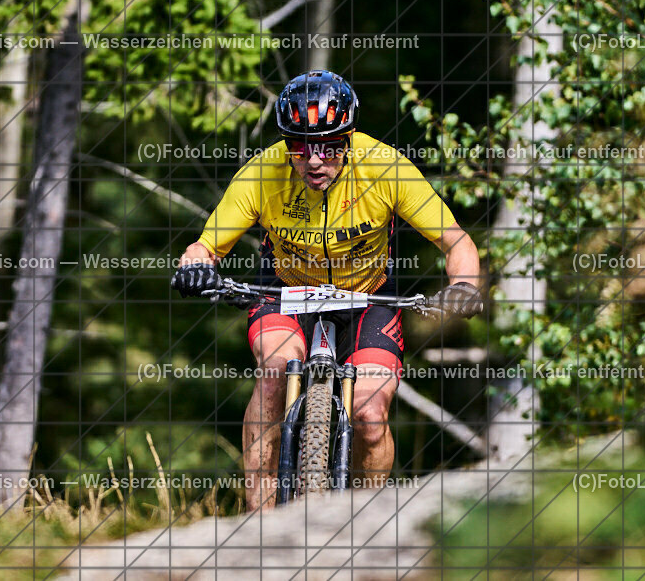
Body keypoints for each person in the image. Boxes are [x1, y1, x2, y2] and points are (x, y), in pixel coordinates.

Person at [171, 70, 483, 510]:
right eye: (299, 147)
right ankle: (259, 523)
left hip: (368, 297)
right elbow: (205, 246)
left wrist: (465, 286)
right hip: (286, 288)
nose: (314, 161)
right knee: (275, 374)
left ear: (349, 137)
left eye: (329, 146)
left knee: (371, 418)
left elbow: (456, 240)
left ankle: (369, 524)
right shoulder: (263, 174)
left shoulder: (385, 168)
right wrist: (195, 268)